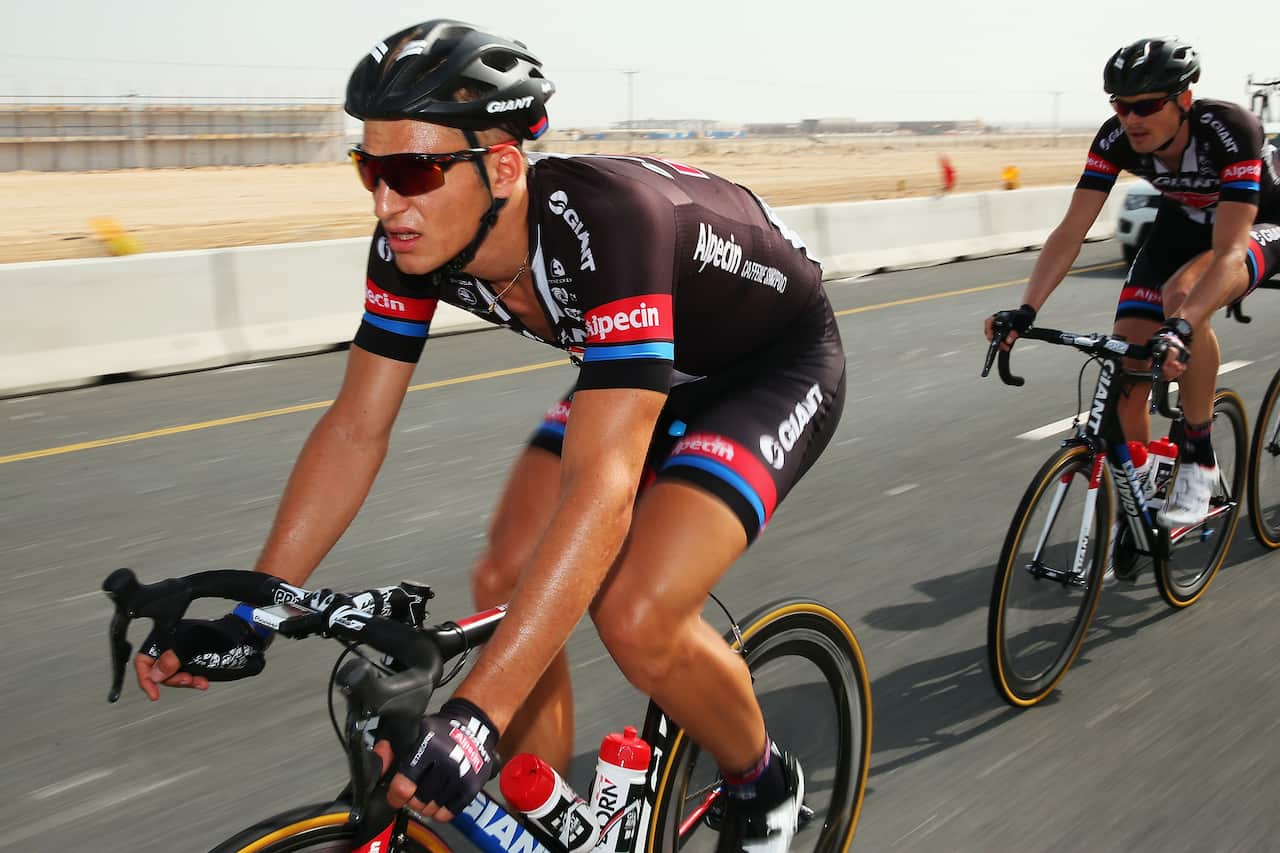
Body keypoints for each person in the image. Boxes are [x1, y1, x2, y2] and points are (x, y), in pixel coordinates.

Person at [133, 19, 846, 853]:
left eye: (411, 171)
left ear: (502, 166)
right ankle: (550, 833)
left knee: (636, 613)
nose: (386, 202)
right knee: (507, 572)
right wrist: (255, 610)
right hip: (642, 362)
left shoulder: (611, 226)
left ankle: (764, 780)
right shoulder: (412, 242)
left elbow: (603, 491)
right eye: (370, 169)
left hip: (773, 365)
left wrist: (475, 716)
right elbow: (357, 427)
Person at [986, 36, 1280, 527]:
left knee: (1182, 297)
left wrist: (1182, 325)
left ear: (1184, 100)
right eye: (1121, 105)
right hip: (1182, 228)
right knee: (1129, 362)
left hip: (1257, 224)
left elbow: (1228, 250)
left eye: (1145, 105)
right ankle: (1140, 489)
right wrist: (1026, 309)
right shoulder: (1115, 138)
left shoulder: (1229, 130)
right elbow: (1071, 230)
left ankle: (1199, 457)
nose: (1131, 119)